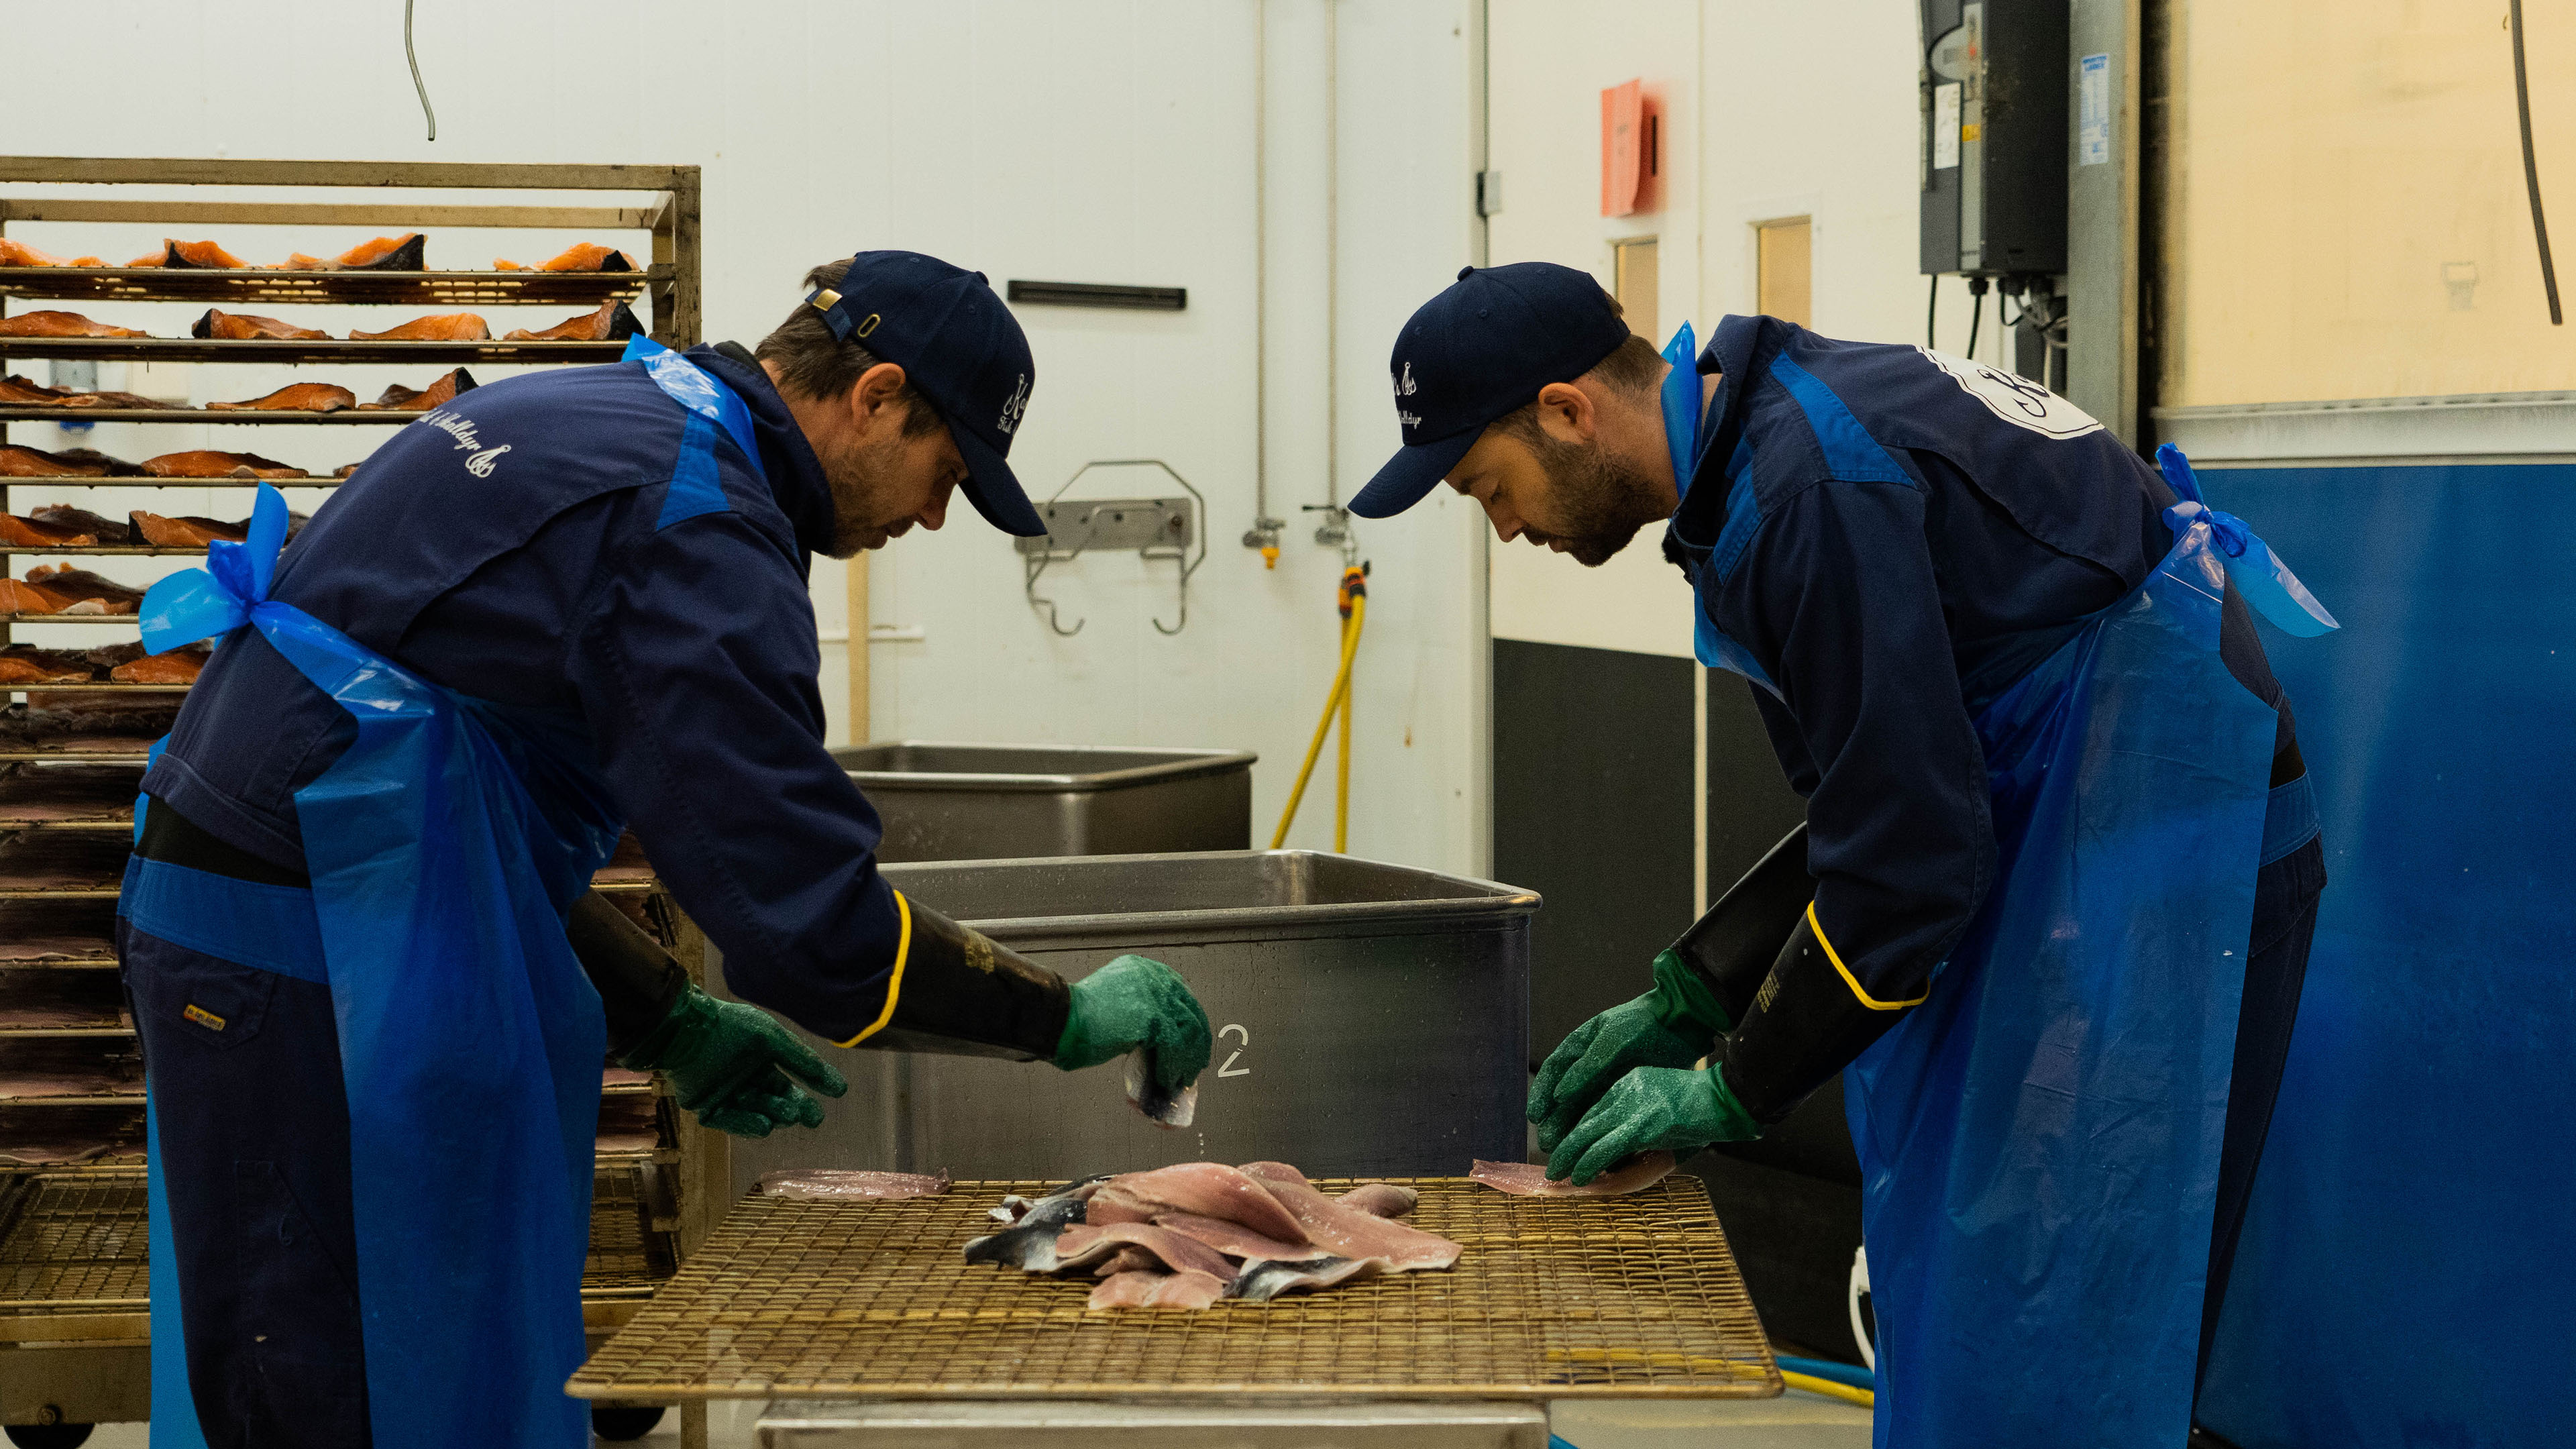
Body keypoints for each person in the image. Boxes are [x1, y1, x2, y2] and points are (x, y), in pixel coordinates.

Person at [118, 250, 1211, 1449]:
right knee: (333, 1383)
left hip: (300, 918)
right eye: (944, 472)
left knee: (370, 1357)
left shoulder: (606, 413)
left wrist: (660, 1012)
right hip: (296, 967)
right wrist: (1058, 1016)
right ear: (879, 395)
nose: (933, 516)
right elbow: (815, 937)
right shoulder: (694, 528)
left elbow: (436, 825)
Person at [1352, 263, 2333, 1449]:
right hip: (2083, 845)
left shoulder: (1808, 490)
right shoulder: (1759, 454)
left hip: (2177, 869)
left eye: (1487, 488)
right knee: (2001, 1288)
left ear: (1566, 411)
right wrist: (1694, 990)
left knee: (2076, 1303)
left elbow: (1911, 857)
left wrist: (1731, 1085)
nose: (1505, 527)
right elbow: (1878, 801)